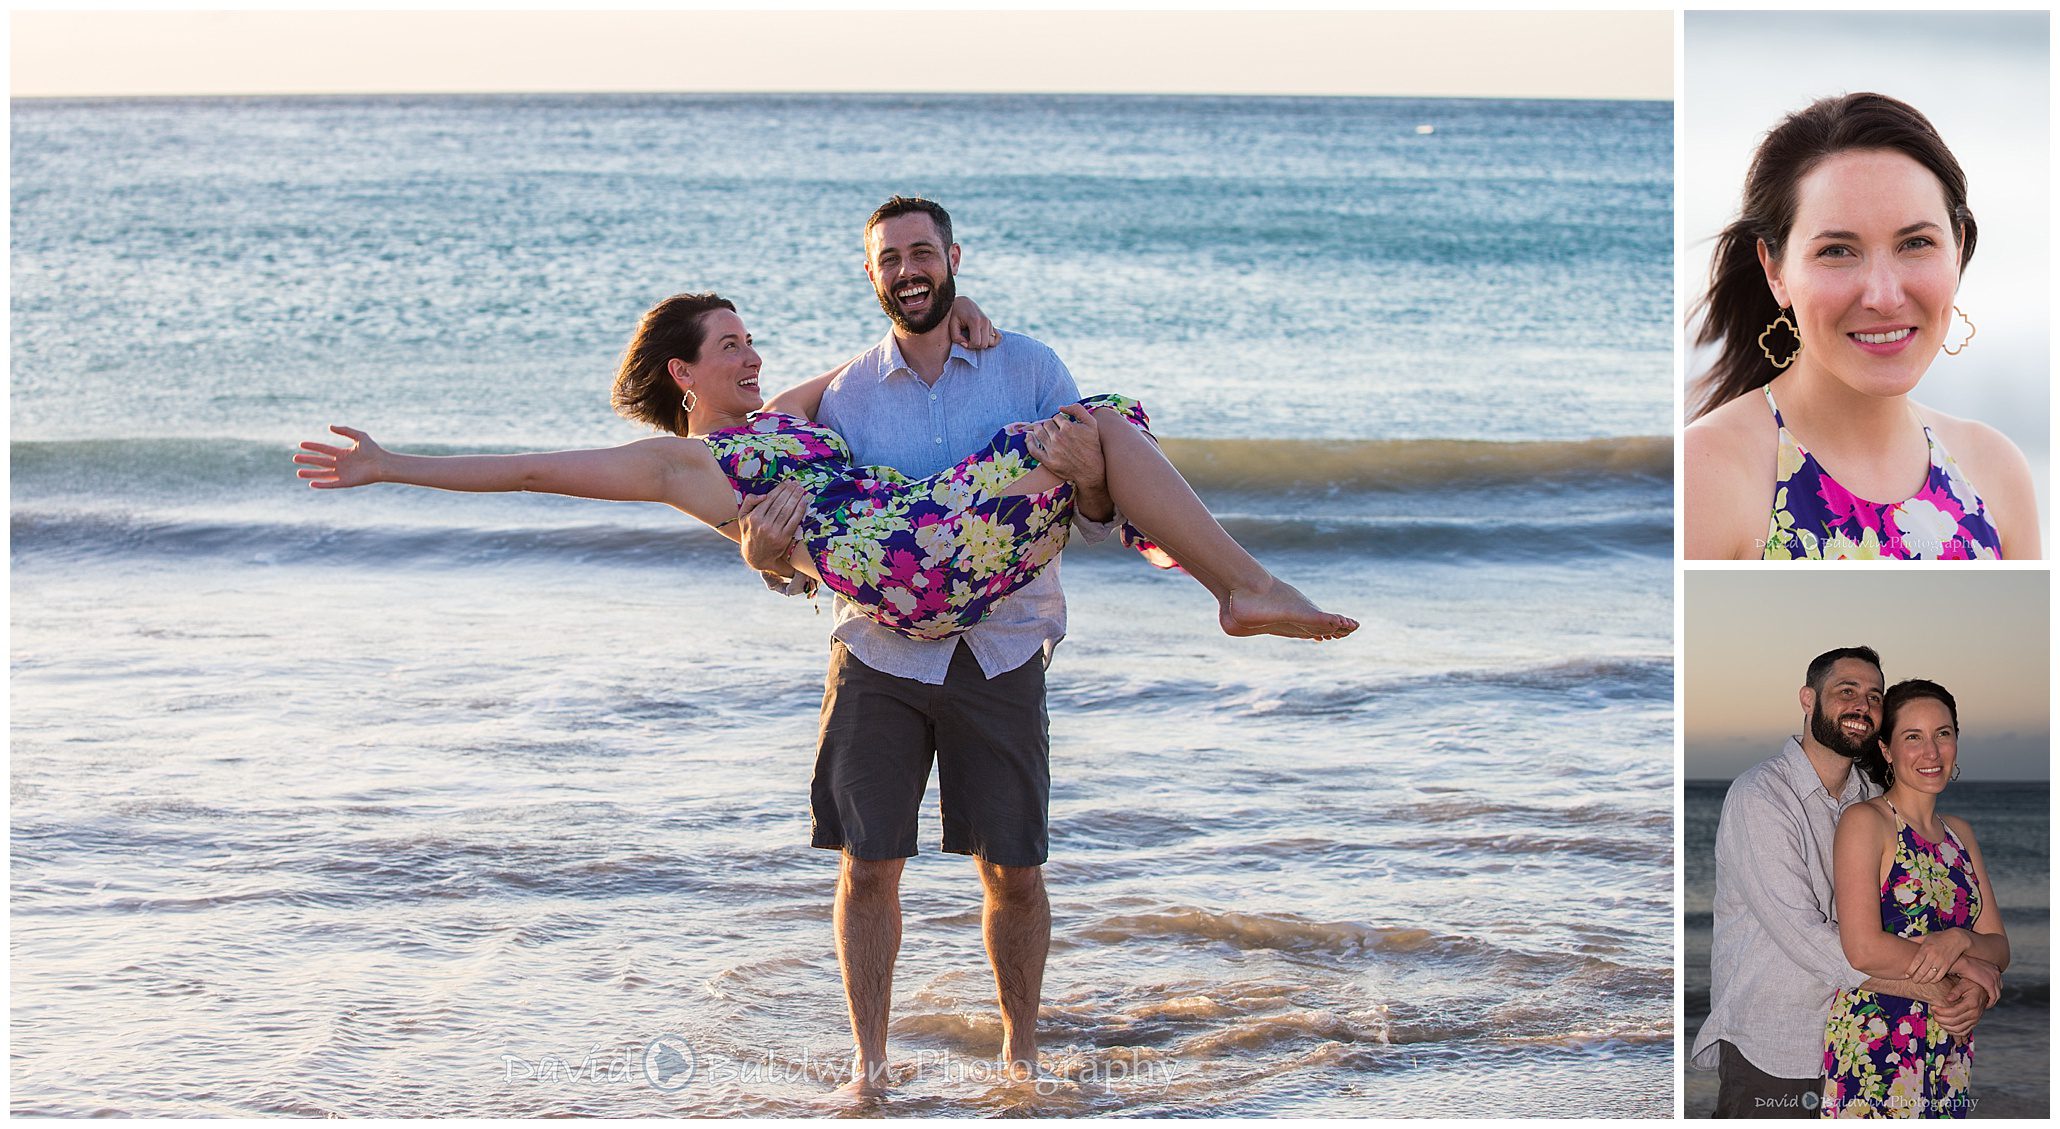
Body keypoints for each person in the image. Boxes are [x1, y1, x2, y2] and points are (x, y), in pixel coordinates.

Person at [294, 293, 1356, 647]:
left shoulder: (784, 415)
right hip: (906, 561)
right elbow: (530, 471)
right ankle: (1240, 590)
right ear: (683, 375)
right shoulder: (683, 461)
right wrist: (392, 466)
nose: (753, 359)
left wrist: (964, 306)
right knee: (1100, 423)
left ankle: (1230, 584)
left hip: (926, 531)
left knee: (1102, 421)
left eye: (752, 341)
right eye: (729, 349)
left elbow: (873, 357)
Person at [1682, 92, 2039, 560]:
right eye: (1836, 251)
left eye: (1915, 243)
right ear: (1775, 269)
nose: (1884, 296)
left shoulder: (1995, 471)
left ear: (1958, 248)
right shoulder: (1706, 476)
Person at [1689, 647, 1999, 1118]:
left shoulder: (1872, 801)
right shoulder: (1761, 796)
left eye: (1874, 696)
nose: (1862, 705)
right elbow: (1807, 938)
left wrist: (1964, 963)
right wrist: (1946, 982)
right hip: (1776, 1046)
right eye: (1846, 691)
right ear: (1808, 699)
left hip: (1860, 1040)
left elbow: (1899, 926)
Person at [1822, 679, 2006, 1118]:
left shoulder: (1961, 834)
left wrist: (1959, 940)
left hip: (1950, 1044)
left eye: (1943, 734)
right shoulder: (1866, 822)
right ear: (1886, 749)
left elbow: (1999, 947)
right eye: (1913, 737)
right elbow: (1863, 948)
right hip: (1875, 1045)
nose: (1931, 752)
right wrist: (1962, 965)